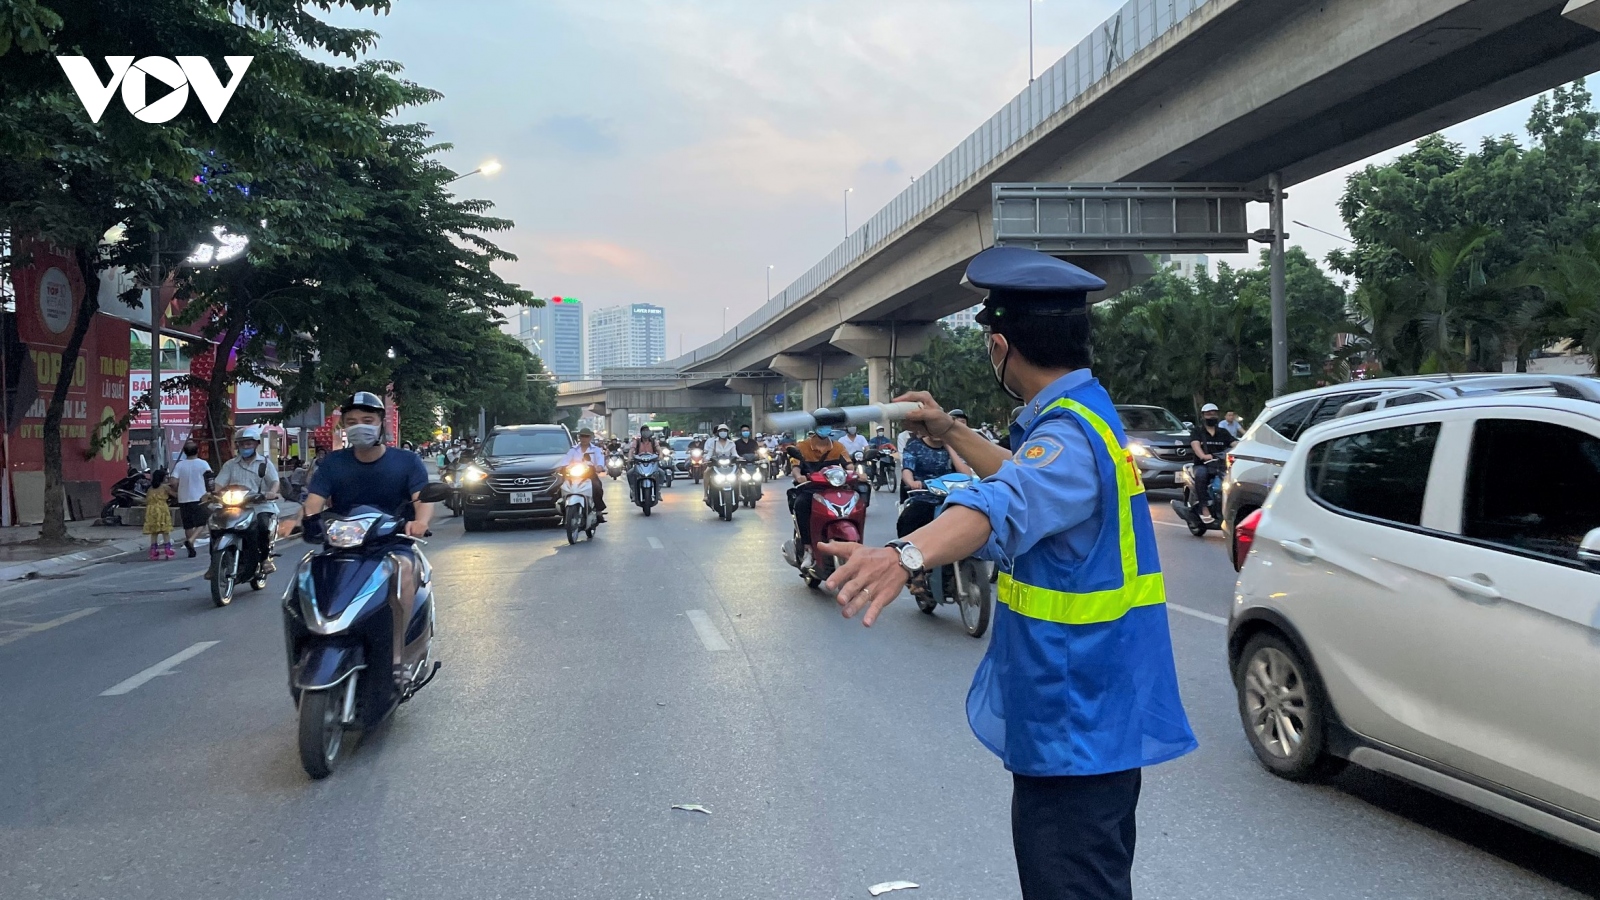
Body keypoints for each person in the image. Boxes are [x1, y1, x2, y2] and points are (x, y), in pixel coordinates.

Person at [817, 247, 1196, 900]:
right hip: (1093, 716)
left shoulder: (1067, 438)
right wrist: (950, 431)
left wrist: (905, 554)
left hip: (1075, 725)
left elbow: (1004, 502)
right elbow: (1026, 477)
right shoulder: (1085, 418)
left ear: (999, 346)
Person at [302, 392, 432, 539]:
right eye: (351, 422)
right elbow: (313, 502)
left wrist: (420, 522)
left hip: (396, 544)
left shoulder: (409, 461)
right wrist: (298, 521)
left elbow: (422, 498)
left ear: (381, 424)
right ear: (344, 426)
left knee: (409, 563)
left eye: (368, 421)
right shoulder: (332, 462)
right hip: (342, 545)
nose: (360, 426)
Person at [213, 425, 282, 575]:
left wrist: (271, 492)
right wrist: (214, 493)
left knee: (262, 526)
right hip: (235, 505)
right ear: (237, 446)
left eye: (249, 443)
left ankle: (265, 559)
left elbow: (275, 482)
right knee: (215, 524)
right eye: (242, 444)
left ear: (256, 444)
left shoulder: (264, 463)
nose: (245, 447)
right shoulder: (230, 465)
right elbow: (219, 483)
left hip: (260, 504)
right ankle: (214, 564)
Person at [785, 424, 852, 560]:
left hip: (833, 488)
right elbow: (796, 467)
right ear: (815, 428)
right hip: (810, 487)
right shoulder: (802, 446)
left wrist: (856, 473)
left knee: (856, 498)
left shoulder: (838, 447)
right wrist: (799, 476)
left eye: (827, 426)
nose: (825, 429)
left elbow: (849, 465)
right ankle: (807, 548)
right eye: (821, 426)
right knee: (801, 505)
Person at [898, 423, 974, 535]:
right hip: (924, 496)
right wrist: (912, 482)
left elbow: (967, 474)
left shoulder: (954, 448)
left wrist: (949, 446)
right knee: (911, 518)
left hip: (950, 498)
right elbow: (907, 469)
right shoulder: (914, 446)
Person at [1186, 403, 1236, 522]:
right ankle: (1204, 507)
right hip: (1202, 465)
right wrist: (1203, 456)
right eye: (1208, 414)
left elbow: (1235, 444)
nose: (1211, 416)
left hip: (1221, 465)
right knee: (1201, 475)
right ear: (1203, 416)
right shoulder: (1197, 431)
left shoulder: (1223, 432)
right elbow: (1195, 445)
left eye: (1214, 414)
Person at [170, 440, 212, 558]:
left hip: (183, 498)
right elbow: (210, 479)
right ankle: (192, 540)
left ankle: (191, 548)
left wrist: (177, 488)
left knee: (188, 525)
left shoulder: (180, 465)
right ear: (197, 451)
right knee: (203, 523)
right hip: (200, 497)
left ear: (184, 452)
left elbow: (173, 482)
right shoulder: (203, 464)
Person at [555, 427, 608, 519]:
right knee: (560, 488)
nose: (584, 439)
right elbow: (566, 460)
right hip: (573, 475)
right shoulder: (573, 449)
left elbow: (600, 460)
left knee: (597, 487)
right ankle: (563, 509)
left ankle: (599, 510)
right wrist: (561, 467)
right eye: (582, 436)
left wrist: (599, 466)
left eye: (586, 436)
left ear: (590, 438)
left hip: (590, 475)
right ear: (579, 437)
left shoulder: (595, 450)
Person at [143, 470, 175, 560]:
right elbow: (174, 495)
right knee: (165, 530)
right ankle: (167, 550)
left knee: (154, 532)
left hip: (151, 510)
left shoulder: (150, 488)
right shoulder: (165, 487)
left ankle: (153, 551)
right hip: (162, 509)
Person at [626, 426, 663, 503]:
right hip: (639, 463)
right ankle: (633, 491)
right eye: (644, 430)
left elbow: (659, 450)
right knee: (629, 473)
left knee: (662, 473)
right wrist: (629, 457)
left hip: (652, 463)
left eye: (647, 430)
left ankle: (658, 491)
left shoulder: (653, 441)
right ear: (641, 432)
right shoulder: (637, 442)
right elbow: (631, 450)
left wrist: (660, 455)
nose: (646, 432)